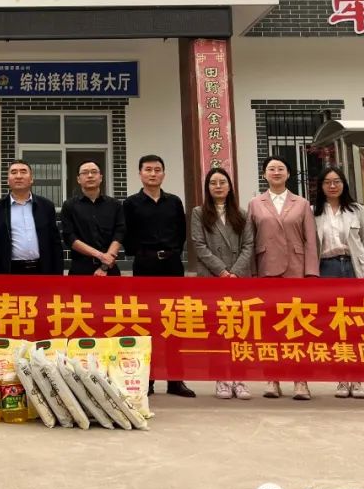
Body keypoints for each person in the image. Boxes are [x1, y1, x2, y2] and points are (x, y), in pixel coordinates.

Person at [247, 156, 319, 400]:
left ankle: (301, 381)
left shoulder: (302, 203)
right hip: (267, 270)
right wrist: (253, 273)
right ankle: (272, 379)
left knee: (298, 326)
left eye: (281, 168)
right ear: (264, 174)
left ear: (288, 174)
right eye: (271, 169)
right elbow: (250, 241)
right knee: (270, 327)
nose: (276, 172)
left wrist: (311, 272)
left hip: (296, 270)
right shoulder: (255, 204)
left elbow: (311, 241)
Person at [124, 154, 194, 398]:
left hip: (172, 266)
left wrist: (171, 252)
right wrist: (144, 253)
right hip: (144, 265)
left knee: (174, 321)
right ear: (140, 174)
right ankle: (148, 380)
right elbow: (127, 236)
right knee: (146, 323)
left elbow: (181, 233)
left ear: (163, 173)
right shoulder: (131, 204)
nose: (153, 174)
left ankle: (176, 380)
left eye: (157, 170)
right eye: (148, 169)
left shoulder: (174, 202)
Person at [189, 167, 255, 400]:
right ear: (207, 188)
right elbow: (199, 244)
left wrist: (235, 272)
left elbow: (248, 245)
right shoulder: (199, 213)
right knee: (217, 331)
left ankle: (240, 379)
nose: (218, 186)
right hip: (213, 278)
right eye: (213, 183)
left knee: (240, 329)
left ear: (230, 187)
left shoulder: (242, 213)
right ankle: (221, 379)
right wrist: (222, 271)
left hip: (238, 278)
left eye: (222, 182)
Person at [313, 165, 364, 400]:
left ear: (344, 184)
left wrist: (361, 265)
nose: (332, 186)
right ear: (321, 186)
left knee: (354, 324)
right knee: (334, 325)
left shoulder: (357, 210)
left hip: (351, 268)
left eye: (337, 181)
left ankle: (356, 378)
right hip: (326, 269)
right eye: (327, 182)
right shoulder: (314, 211)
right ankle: (341, 378)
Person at [0, 160, 64, 275]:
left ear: (31, 179)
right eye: (14, 172)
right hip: (10, 271)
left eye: (23, 172)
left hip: (42, 269)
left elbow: (55, 242)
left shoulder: (46, 206)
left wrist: (58, 272)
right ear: (8, 180)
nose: (18, 176)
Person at [60, 161, 125, 277]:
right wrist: (100, 256)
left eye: (94, 172)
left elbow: (119, 233)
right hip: (80, 268)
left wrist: (104, 266)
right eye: (85, 172)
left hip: (110, 269)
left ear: (101, 178)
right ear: (78, 179)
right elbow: (70, 237)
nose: (90, 175)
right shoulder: (69, 206)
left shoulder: (115, 205)